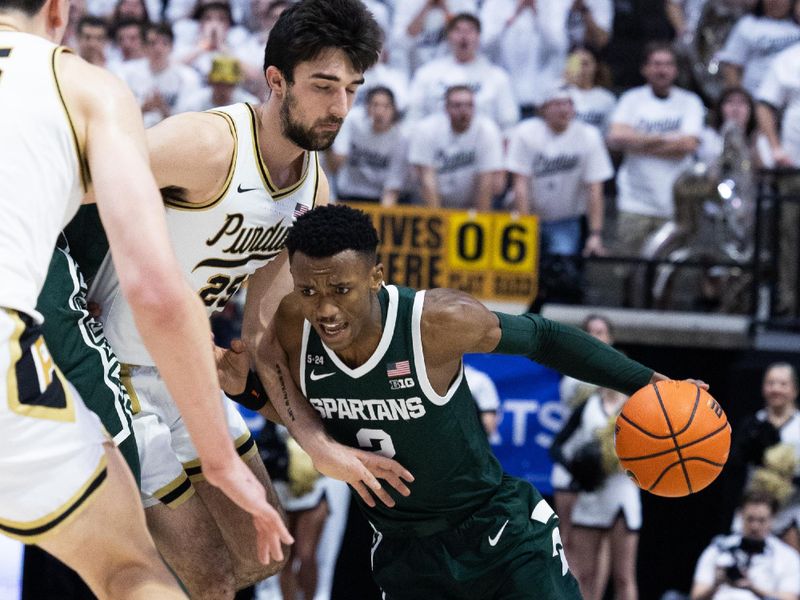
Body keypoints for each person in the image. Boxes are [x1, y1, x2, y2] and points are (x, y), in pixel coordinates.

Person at [89, 1, 413, 597]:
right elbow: (77, 179)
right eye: (323, 86)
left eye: (350, 88)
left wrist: (317, 443)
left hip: (188, 370)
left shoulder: (313, 184)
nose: (340, 107)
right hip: (110, 366)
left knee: (264, 553)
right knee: (207, 575)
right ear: (276, 81)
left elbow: (263, 334)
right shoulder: (208, 144)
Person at [0, 0, 291, 596]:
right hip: (79, 351)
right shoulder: (85, 87)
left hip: (157, 362)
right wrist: (220, 460)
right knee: (132, 568)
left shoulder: (305, 183)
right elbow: (160, 294)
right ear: (60, 12)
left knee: (249, 563)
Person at [266, 203, 702, 599]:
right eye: (309, 292)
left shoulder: (436, 322)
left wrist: (648, 382)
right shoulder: (292, 327)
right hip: (404, 550)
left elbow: (544, 337)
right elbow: (276, 391)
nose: (324, 309)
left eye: (340, 290)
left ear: (376, 277)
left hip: (495, 532)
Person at [506, 84, 614, 304]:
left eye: (569, 104)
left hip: (566, 219)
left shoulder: (588, 136)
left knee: (562, 274)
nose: (564, 109)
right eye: (557, 104)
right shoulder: (526, 132)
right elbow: (520, 184)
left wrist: (595, 234)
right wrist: (526, 227)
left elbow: (595, 187)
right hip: (527, 217)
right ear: (543, 108)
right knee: (522, 277)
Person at [607, 41, 704, 260]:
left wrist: (638, 142)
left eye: (668, 64)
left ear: (676, 70)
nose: (662, 70)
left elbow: (687, 146)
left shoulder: (690, 102)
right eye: (656, 64)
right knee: (631, 272)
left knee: (668, 275)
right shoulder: (631, 99)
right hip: (635, 203)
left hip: (676, 208)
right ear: (645, 69)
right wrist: (665, 139)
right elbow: (617, 137)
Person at [550, 387, 641, 600]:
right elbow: (556, 446)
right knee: (582, 573)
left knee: (623, 576)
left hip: (623, 493)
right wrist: (578, 470)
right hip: (591, 493)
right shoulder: (588, 405)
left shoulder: (636, 408)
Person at [405, 12, 519, 131]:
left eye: (470, 31)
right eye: (458, 30)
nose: (464, 36)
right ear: (448, 36)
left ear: (478, 37)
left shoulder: (497, 77)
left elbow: (508, 122)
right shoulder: (426, 74)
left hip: (482, 144)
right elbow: (413, 116)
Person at [408, 84, 505, 210]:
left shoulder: (487, 130)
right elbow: (427, 179)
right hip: (428, 206)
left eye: (469, 105)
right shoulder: (426, 129)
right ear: (446, 108)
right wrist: (439, 219)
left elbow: (485, 183)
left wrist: (480, 220)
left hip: (469, 207)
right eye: (457, 105)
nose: (464, 110)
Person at [690, 491, 800, 600]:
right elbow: (696, 596)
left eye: (761, 520)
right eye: (750, 519)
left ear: (773, 518)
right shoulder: (718, 549)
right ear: (740, 515)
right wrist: (716, 584)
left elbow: (791, 598)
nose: (755, 527)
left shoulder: (788, 557)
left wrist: (752, 587)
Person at [328, 86, 410, 206]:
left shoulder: (401, 137)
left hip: (378, 198)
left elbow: (392, 186)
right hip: (348, 194)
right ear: (366, 107)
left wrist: (380, 217)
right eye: (375, 105)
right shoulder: (352, 121)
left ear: (394, 110)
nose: (379, 112)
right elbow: (336, 162)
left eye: (386, 106)